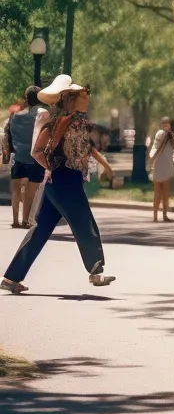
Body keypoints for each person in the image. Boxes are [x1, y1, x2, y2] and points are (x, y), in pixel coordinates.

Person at [1, 76, 116, 294]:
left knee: (41, 229)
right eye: (83, 94)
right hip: (64, 180)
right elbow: (38, 151)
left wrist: (105, 164)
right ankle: (96, 272)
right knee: (84, 223)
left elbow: (87, 147)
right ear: (71, 98)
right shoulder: (63, 121)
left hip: (60, 180)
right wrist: (52, 167)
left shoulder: (76, 121)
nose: (87, 97)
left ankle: (11, 277)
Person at [3, 86, 46, 229]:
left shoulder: (15, 116)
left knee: (15, 189)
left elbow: (7, 134)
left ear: (27, 99)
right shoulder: (42, 114)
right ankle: (26, 220)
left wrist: (7, 152)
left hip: (18, 157)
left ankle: (15, 220)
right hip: (34, 157)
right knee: (30, 190)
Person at [148, 117, 174, 223]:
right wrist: (167, 134)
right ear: (161, 125)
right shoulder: (160, 133)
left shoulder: (171, 136)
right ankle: (155, 216)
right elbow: (159, 145)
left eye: (167, 123)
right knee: (157, 193)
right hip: (158, 165)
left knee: (165, 193)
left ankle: (165, 215)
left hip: (167, 165)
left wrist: (172, 136)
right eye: (164, 123)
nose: (166, 125)